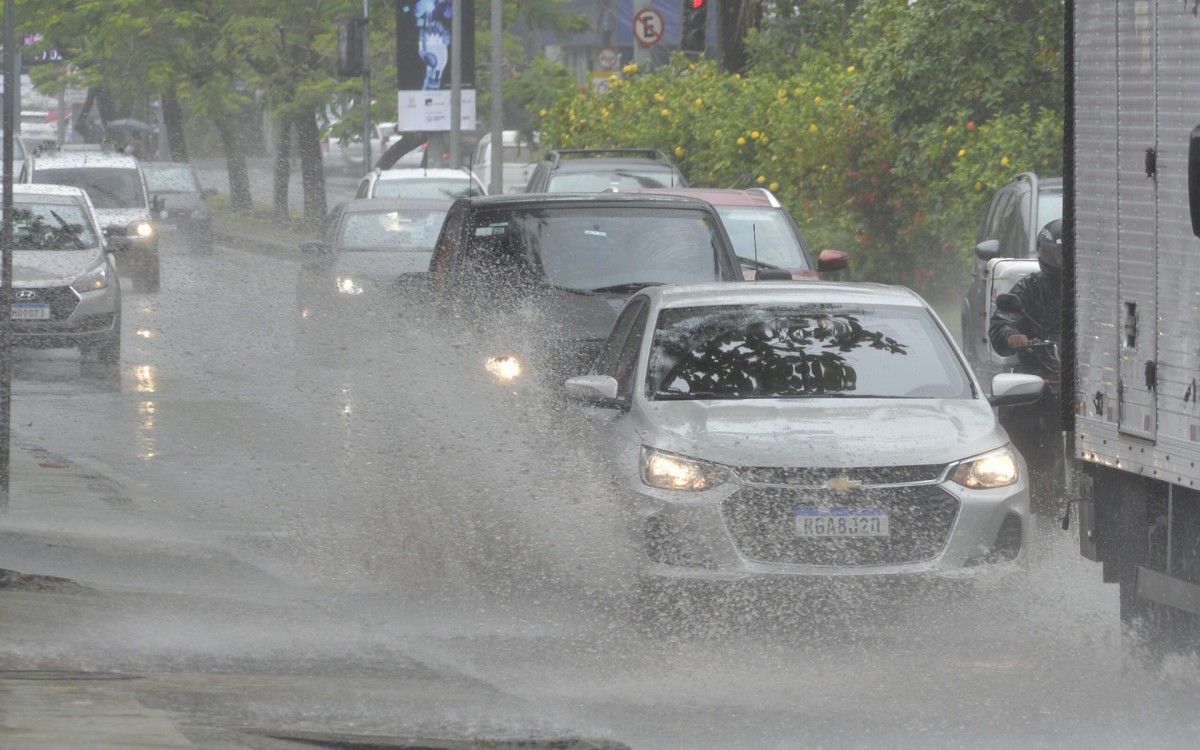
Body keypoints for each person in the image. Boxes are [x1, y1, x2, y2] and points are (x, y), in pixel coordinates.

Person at [988, 218, 1063, 511]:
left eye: (1067, 256)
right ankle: (1023, 484)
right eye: (1058, 256)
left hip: (1082, 377)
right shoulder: (1029, 288)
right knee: (1019, 421)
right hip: (1038, 373)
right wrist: (1013, 336)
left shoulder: (1088, 287)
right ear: (1045, 254)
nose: (1063, 262)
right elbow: (1002, 322)